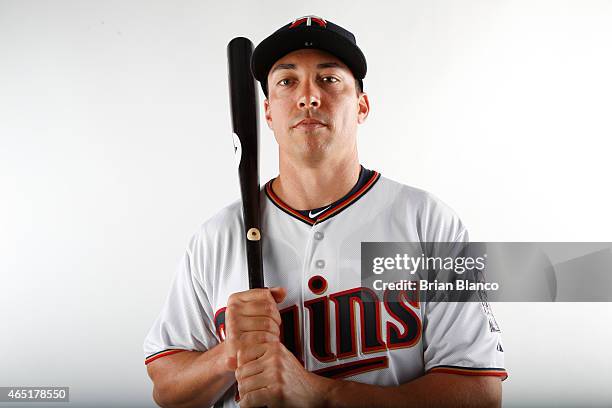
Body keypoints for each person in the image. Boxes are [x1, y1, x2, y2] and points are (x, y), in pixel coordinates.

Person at [144, 15, 506, 408]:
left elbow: (478, 393)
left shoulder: (427, 222)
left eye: (329, 79)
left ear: (362, 106)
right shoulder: (217, 236)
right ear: (267, 112)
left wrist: (321, 394)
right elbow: (167, 388)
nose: (308, 96)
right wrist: (227, 354)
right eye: (286, 81)